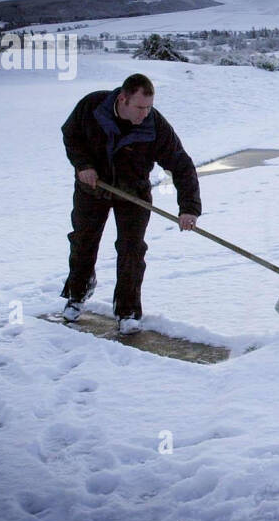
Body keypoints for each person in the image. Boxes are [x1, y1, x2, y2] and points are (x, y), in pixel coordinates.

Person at [59, 73, 201, 332]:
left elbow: (181, 164)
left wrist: (189, 208)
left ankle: (128, 311)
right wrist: (83, 165)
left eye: (149, 107)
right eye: (139, 107)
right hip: (92, 188)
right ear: (123, 99)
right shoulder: (92, 107)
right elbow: (71, 134)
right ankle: (77, 293)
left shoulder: (154, 125)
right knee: (83, 241)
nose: (145, 113)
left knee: (132, 250)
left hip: (133, 193)